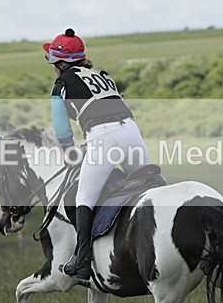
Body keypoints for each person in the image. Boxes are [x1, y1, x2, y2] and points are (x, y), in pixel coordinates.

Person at [44, 28, 149, 280]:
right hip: (132, 132)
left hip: (105, 138)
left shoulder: (61, 84)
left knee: (85, 198)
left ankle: (82, 260)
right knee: (150, 186)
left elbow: (61, 129)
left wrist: (70, 151)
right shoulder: (102, 74)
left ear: (59, 63)